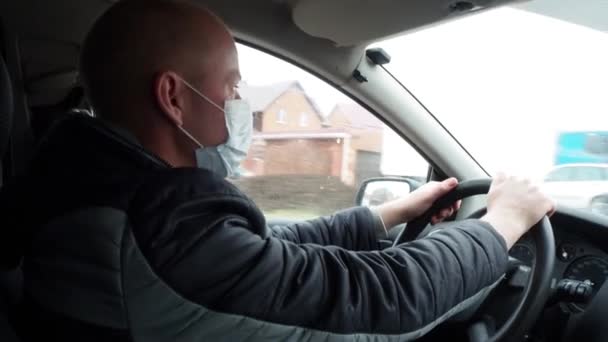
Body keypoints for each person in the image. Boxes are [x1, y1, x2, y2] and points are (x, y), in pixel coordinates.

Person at [0, 0, 555, 340]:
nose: (240, 105)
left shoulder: (90, 195)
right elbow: (381, 299)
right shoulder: (151, 223)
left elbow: (267, 248)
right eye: (233, 87)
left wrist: (390, 213)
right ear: (173, 96)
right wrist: (501, 223)